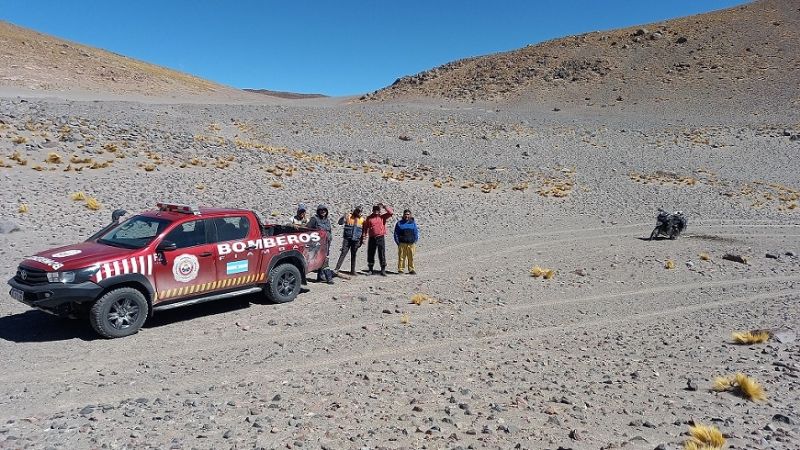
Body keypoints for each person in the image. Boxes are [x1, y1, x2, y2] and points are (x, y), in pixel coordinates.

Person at [362, 203, 393, 276]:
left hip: (380, 237)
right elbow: (365, 228)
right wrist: (364, 237)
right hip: (372, 238)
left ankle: (383, 270)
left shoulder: (382, 217)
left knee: (381, 253)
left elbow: (391, 212)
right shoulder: (369, 218)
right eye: (375, 210)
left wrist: (384, 206)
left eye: (377, 210)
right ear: (372, 210)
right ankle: (370, 269)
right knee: (371, 253)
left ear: (379, 211)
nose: (376, 211)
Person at [334, 206, 365, 275]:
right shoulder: (349, 216)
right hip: (347, 239)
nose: (359, 213)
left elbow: (363, 231)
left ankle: (352, 270)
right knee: (343, 253)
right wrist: (342, 217)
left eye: (360, 211)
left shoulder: (362, 220)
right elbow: (340, 223)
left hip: (356, 240)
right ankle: (337, 269)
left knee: (354, 255)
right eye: (357, 211)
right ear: (355, 211)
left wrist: (362, 240)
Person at [307, 204, 333, 283]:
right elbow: (308, 230)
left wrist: (330, 239)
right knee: (324, 260)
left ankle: (320, 276)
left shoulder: (327, 220)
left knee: (323, 259)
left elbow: (329, 231)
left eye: (324, 210)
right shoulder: (314, 219)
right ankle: (329, 278)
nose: (323, 212)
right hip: (317, 244)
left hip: (327, 243)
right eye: (321, 210)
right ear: (318, 211)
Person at [393, 209, 419, 274]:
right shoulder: (399, 223)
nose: (406, 216)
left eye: (408, 214)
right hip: (402, 243)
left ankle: (411, 269)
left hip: (411, 243)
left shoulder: (413, 223)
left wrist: (415, 241)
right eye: (405, 214)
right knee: (401, 257)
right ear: (403, 215)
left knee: (411, 257)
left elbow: (416, 232)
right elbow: (396, 234)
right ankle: (401, 269)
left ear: (410, 215)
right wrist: (398, 242)